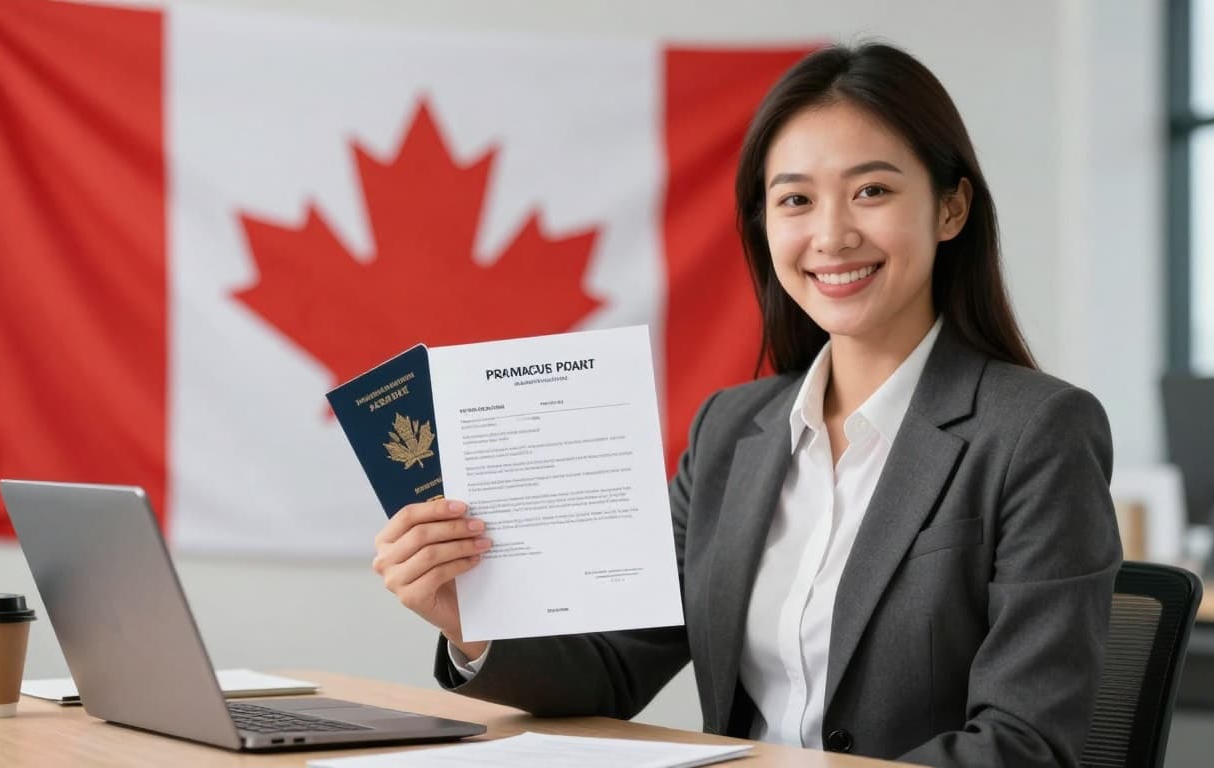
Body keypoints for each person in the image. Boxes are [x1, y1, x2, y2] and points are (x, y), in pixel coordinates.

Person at [371, 41, 1121, 767]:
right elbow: (612, 670)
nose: (832, 235)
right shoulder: (731, 430)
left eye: (873, 190)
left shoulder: (1036, 432)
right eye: (795, 199)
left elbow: (1025, 743)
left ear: (951, 209)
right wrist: (475, 625)